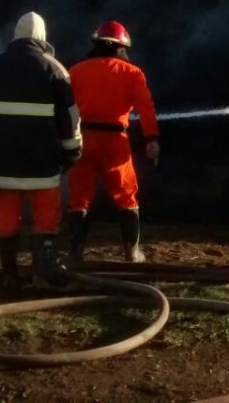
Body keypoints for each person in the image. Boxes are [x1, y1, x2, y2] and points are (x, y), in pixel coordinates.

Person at [0, 12, 82, 290]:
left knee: (6, 221)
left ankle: (10, 275)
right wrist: (72, 151)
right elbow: (70, 118)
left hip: (1, 165)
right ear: (42, 39)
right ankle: (43, 275)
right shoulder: (55, 70)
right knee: (47, 221)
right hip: (43, 165)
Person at [66, 20, 160, 263]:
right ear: (120, 47)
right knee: (126, 196)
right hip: (115, 141)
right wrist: (152, 139)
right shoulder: (132, 73)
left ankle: (75, 253)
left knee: (79, 198)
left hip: (81, 140)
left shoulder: (74, 71)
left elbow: (64, 109)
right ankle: (132, 252)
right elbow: (146, 109)